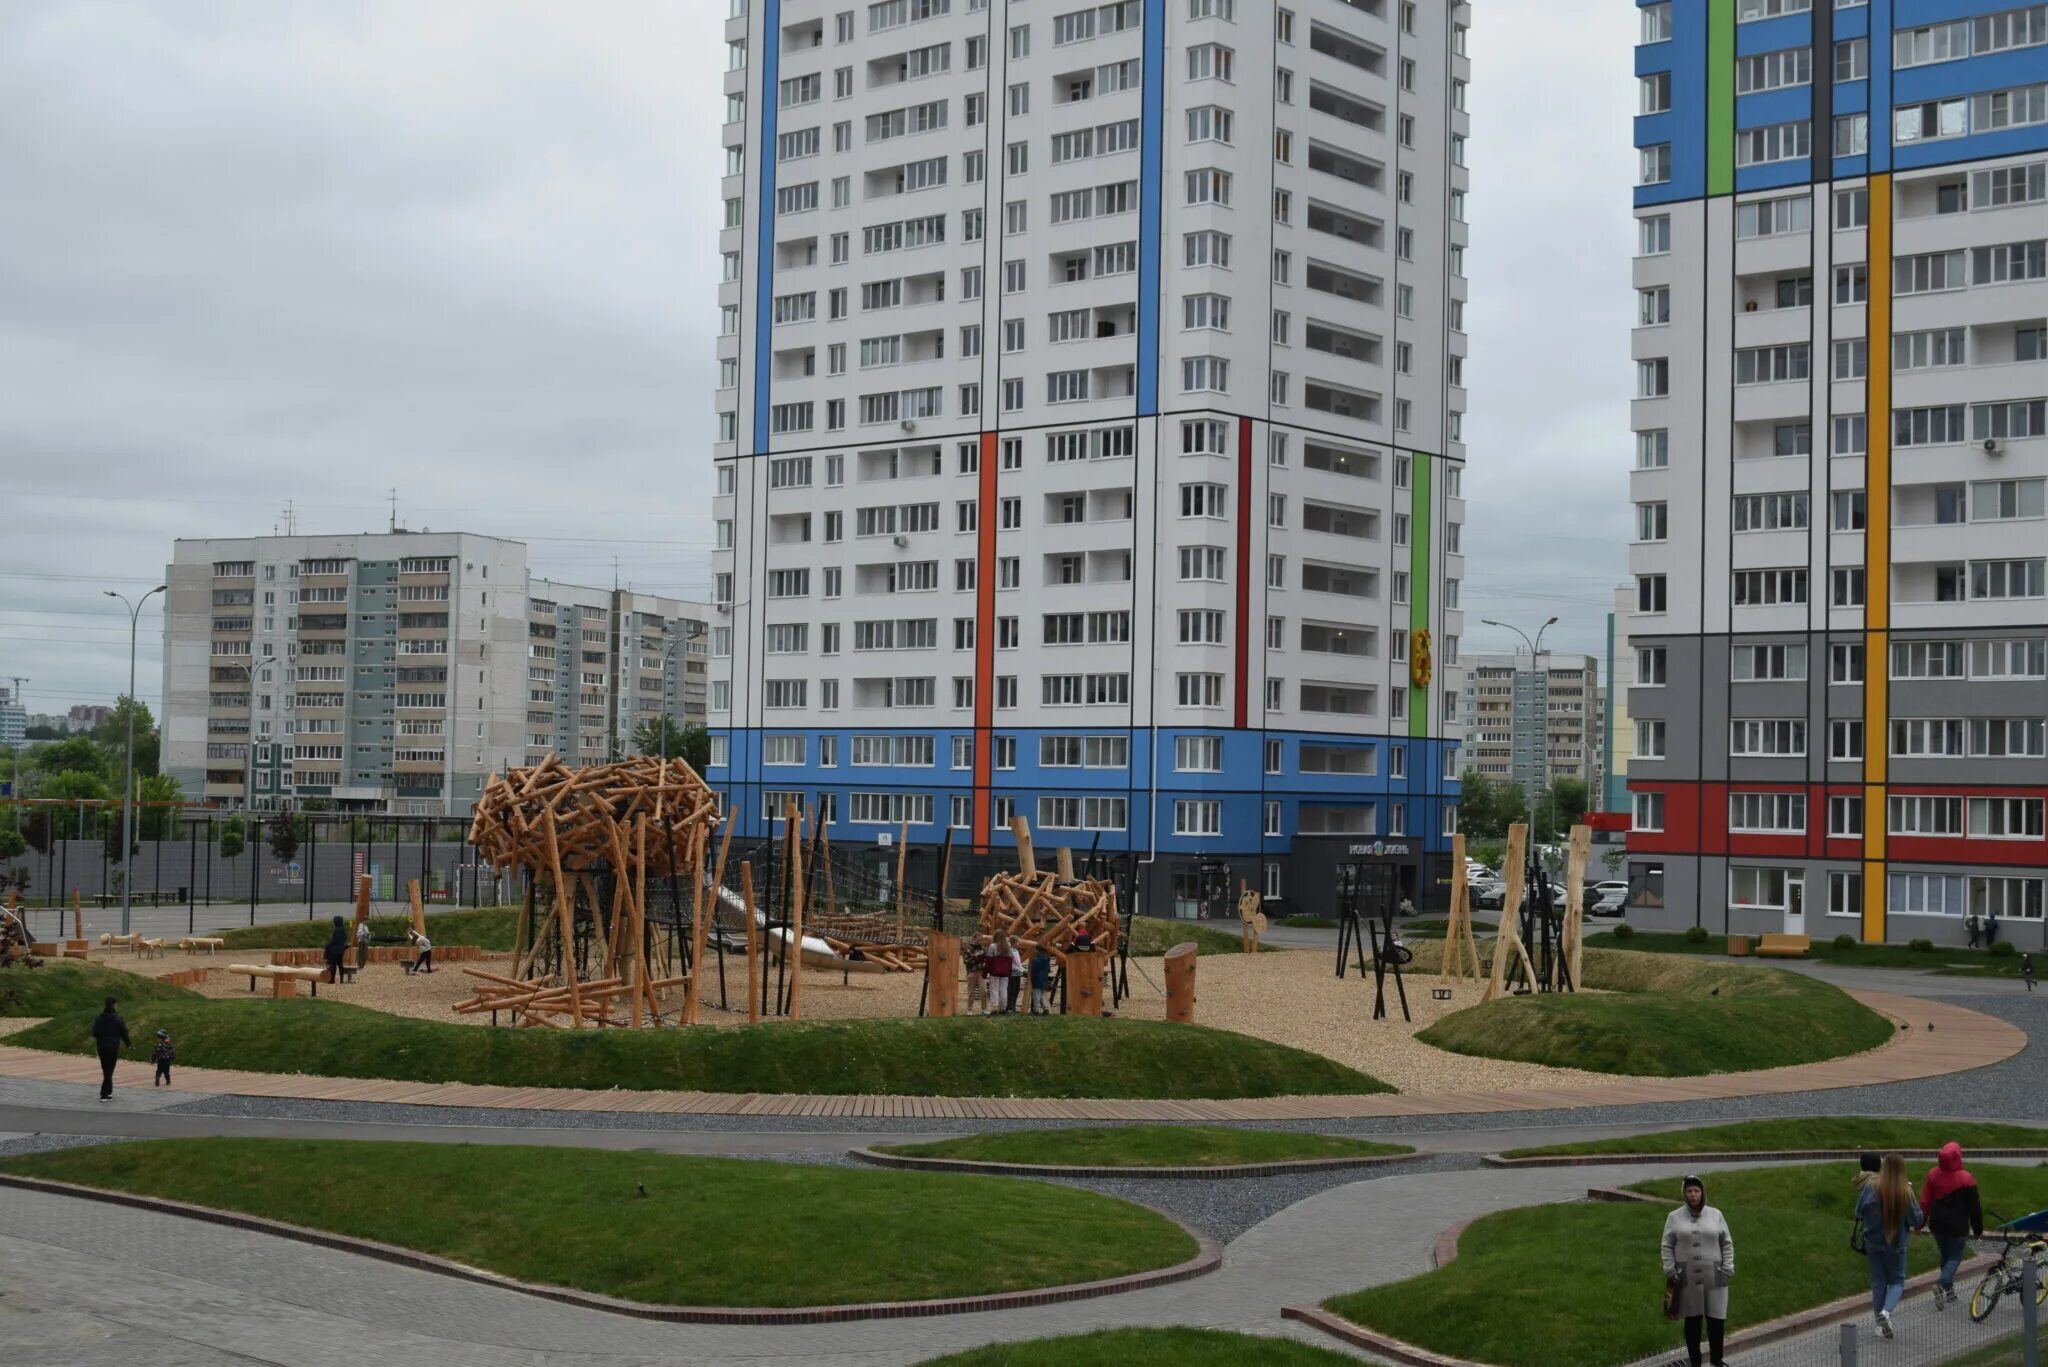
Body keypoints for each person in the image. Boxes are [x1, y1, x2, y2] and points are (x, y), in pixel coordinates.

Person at [1661, 1175, 1734, 1367]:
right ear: (1684, 1194)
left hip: (1715, 1275)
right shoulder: (1674, 1217)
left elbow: (1726, 1243)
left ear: (1702, 1193)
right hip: (1687, 1277)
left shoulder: (1716, 1214)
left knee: (1716, 1320)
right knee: (1692, 1322)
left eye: (1696, 1191)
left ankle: (1717, 1360)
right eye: (1689, 1191)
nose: (1693, 1195)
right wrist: (1670, 1269)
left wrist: (1727, 1268)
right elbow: (1666, 1245)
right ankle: (1695, 1362)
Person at [1857, 1153, 1921, 1338]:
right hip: (1897, 1243)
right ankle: (1887, 1312)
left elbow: (1859, 1211)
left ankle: (1879, 1323)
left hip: (1873, 1242)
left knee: (1878, 1283)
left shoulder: (1871, 1187)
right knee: (1897, 1281)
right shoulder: (1905, 1192)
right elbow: (1916, 1219)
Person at [1921, 1142, 1983, 1309]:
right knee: (1955, 1257)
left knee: (1945, 1255)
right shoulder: (1966, 1178)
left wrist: (1920, 1222)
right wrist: (1978, 1229)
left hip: (1937, 1224)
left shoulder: (1933, 1174)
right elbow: (1974, 1208)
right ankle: (1942, 1284)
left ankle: (1949, 1292)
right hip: (1958, 1225)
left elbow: (1925, 1201)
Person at [89, 996, 130, 1102]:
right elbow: (123, 1033)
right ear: (114, 1005)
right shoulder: (118, 1018)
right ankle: (104, 1094)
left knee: (106, 1069)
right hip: (113, 1047)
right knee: (109, 1070)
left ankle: (109, 1092)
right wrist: (128, 1044)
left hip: (101, 1046)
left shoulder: (99, 1018)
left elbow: (95, 1033)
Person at [987, 932, 1014, 1013]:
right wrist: (1009, 971)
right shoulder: (1008, 946)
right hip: (1005, 971)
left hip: (995, 971)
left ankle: (994, 1007)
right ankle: (1003, 1007)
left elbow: (989, 959)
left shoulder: (993, 946)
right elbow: (1011, 959)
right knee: (1004, 990)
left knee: (994, 989)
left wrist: (986, 971)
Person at [964, 934, 989, 1015]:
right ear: (974, 938)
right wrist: (976, 957)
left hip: (981, 972)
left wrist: (984, 960)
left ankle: (984, 1009)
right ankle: (969, 1010)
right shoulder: (968, 948)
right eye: (978, 940)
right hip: (971, 972)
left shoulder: (982, 948)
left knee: (984, 990)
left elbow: (986, 959)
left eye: (980, 940)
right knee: (971, 992)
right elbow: (966, 961)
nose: (980, 941)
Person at [1028, 942, 1053, 1015]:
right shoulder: (1046, 958)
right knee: (1042, 995)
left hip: (1037, 979)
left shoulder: (1036, 960)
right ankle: (1045, 1008)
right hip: (1044, 978)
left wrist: (1032, 979)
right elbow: (1048, 970)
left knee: (1036, 995)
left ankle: (1036, 1010)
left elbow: (1034, 971)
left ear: (1038, 950)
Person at [323, 914, 349, 984]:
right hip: (340, 950)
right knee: (340, 965)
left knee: (333, 965)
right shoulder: (343, 929)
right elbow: (345, 939)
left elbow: (334, 941)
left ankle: (332, 979)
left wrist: (328, 944)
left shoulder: (336, 930)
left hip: (334, 950)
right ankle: (341, 979)